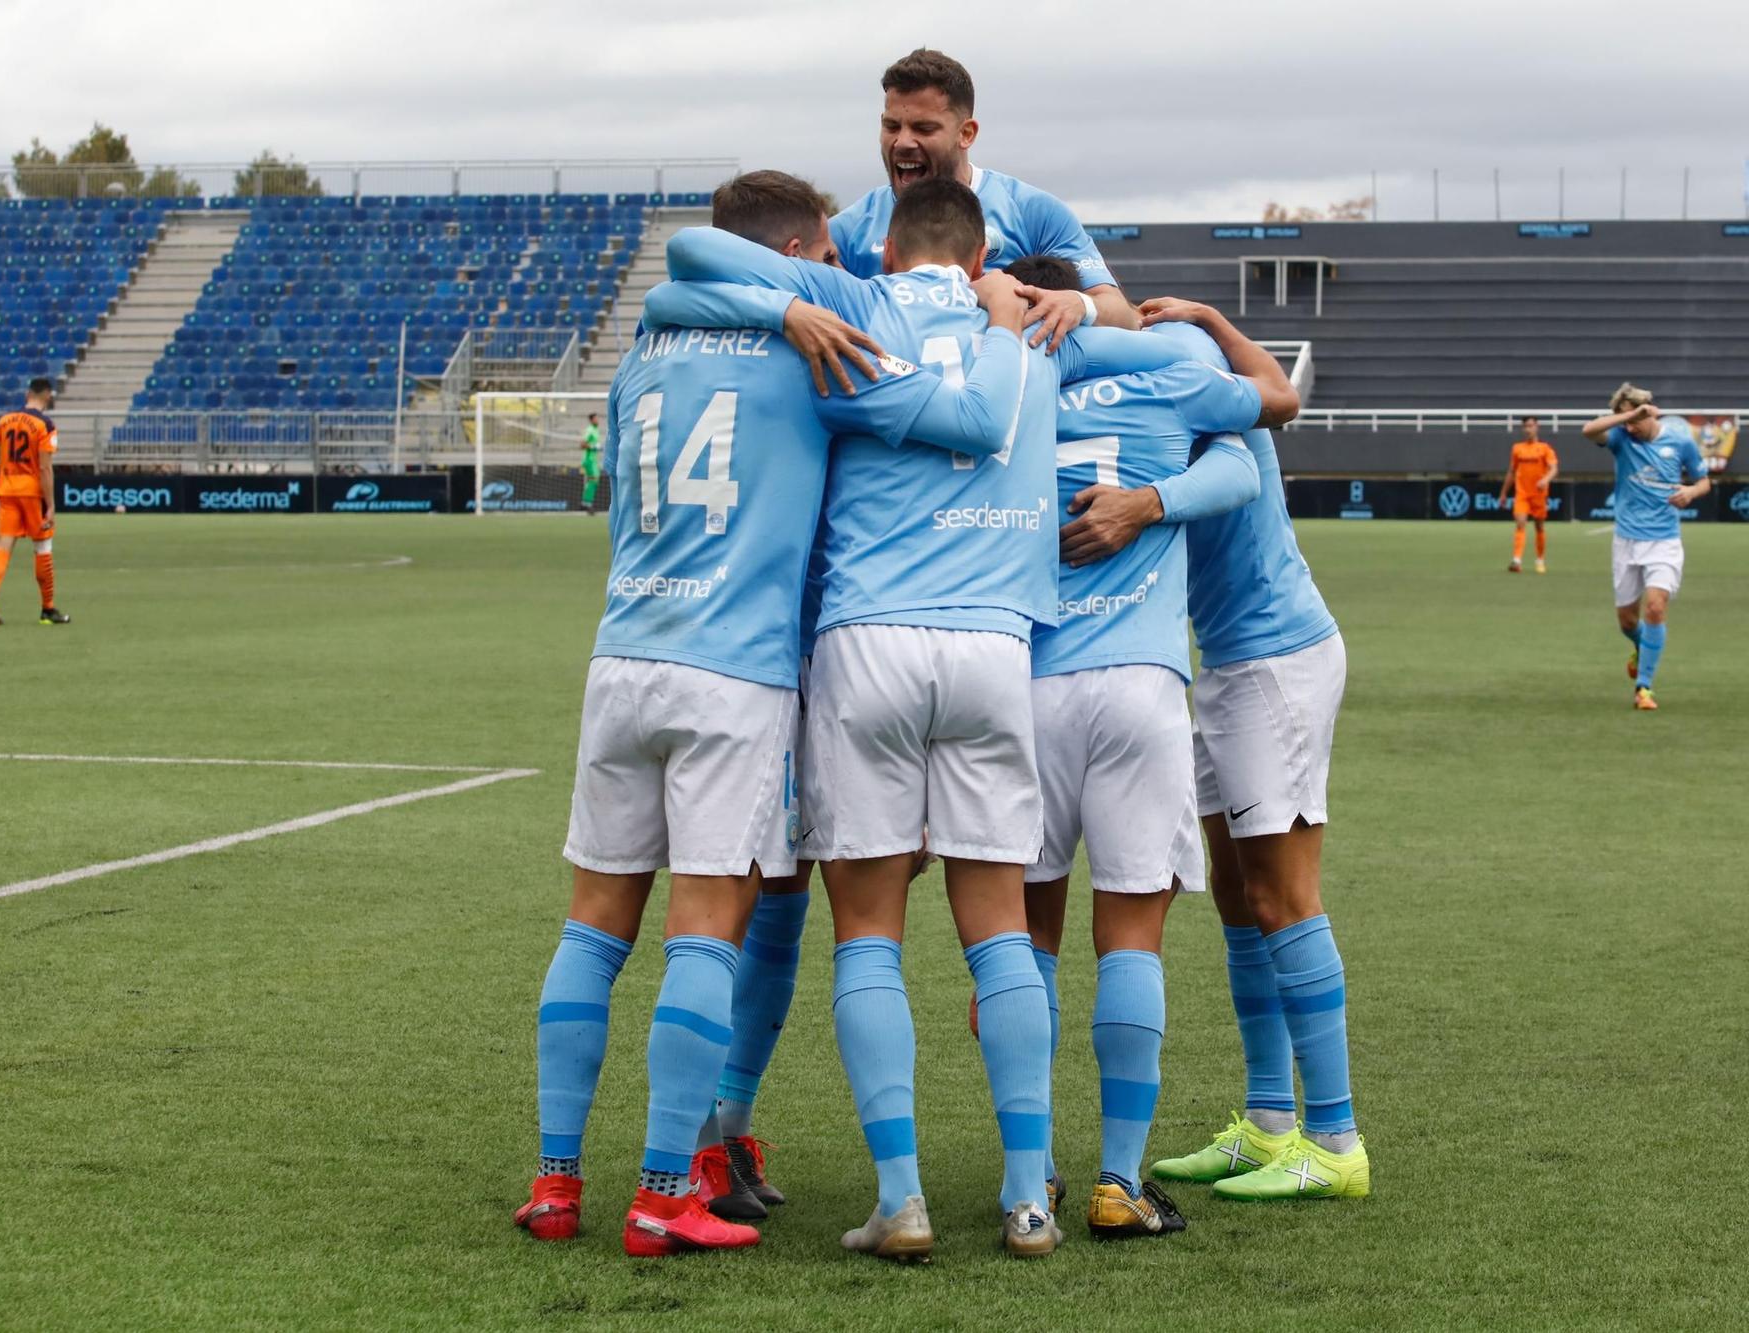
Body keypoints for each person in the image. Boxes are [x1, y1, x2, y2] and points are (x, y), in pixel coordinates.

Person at [514, 168, 1034, 1258]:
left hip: (624, 653)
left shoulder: (643, 350)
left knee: (592, 925)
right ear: (797, 250)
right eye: (825, 262)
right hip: (741, 669)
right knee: (714, 921)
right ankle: (668, 1185)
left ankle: (558, 1180)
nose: (842, 276)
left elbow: (679, 281)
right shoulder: (815, 353)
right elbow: (964, 420)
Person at [648, 178, 1068, 1259]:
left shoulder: (859, 301)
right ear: (979, 256)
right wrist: (1033, 310)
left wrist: (790, 306)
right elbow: (1165, 356)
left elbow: (693, 255)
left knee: (867, 937)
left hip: (867, 642)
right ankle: (1029, 1198)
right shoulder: (1020, 326)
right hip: (992, 644)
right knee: (1000, 934)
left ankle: (902, 1200)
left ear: (882, 248)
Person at [1003, 274, 1294, 1238]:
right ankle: (1119, 1184)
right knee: (1131, 935)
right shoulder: (1169, 370)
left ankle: (1031, 1179)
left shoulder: (1008, 381)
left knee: (1026, 943)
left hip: (1029, 684)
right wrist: (1152, 500)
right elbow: (1258, 442)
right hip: (1139, 683)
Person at [829, 48, 1139, 336]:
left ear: (966, 134)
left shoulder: (1034, 212)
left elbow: (1122, 314)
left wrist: (1079, 304)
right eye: (892, 127)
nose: (903, 142)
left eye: (924, 129)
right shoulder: (846, 231)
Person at [1582, 383, 1710, 710]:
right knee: (1627, 621)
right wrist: (1627, 417)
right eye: (1624, 420)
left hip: (1664, 540)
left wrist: (1691, 493)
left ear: (1650, 410)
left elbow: (1704, 481)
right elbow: (1588, 431)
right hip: (1627, 540)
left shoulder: (1679, 441)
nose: (1629, 427)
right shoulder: (1621, 439)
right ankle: (1642, 647)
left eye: (1634, 420)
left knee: (1655, 607)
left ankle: (1644, 688)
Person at [0, 378, 69, 626]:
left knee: (3, 546)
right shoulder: (45, 424)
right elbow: (44, 468)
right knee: (42, 548)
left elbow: (1, 454)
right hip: (32, 493)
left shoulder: (4, 420)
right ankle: (47, 609)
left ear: (27, 393)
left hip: (7, 488)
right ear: (48, 396)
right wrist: (50, 505)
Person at [1497, 416, 1559, 573]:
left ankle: (1540, 559)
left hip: (1539, 494)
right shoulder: (1517, 448)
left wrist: (1545, 479)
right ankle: (1516, 560)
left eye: (1531, 426)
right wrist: (1503, 493)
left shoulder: (1545, 448)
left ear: (1537, 427)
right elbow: (1511, 472)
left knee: (1539, 526)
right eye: (1525, 426)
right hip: (1522, 494)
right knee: (1520, 523)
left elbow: (1554, 469)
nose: (1528, 429)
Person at [579, 413, 604, 512]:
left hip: (593, 460)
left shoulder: (596, 430)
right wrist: (594, 447)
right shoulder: (589, 430)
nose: (597, 420)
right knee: (593, 480)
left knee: (593, 481)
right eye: (596, 419)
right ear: (591, 420)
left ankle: (584, 503)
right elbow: (582, 444)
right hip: (589, 459)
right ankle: (588, 504)